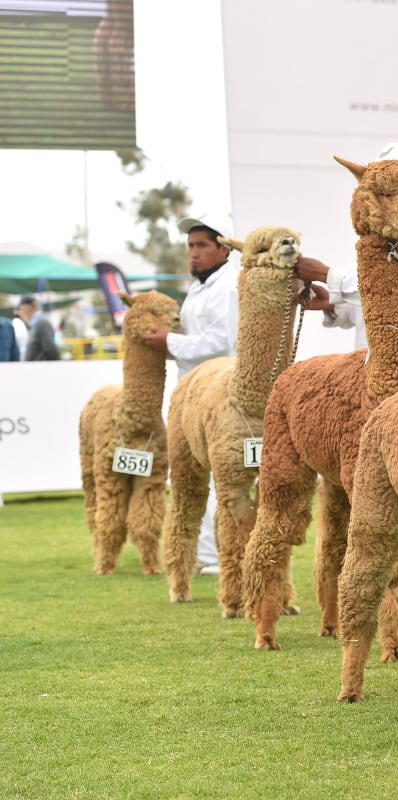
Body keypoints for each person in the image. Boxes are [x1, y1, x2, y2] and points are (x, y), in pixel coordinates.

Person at [142, 214, 240, 575]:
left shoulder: (230, 287)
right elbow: (195, 337)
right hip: (189, 391)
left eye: (202, 246)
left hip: (219, 392)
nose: (194, 254)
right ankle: (204, 554)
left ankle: (217, 556)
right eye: (191, 246)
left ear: (224, 247)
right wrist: (167, 343)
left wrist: (169, 341)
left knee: (218, 473)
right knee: (188, 472)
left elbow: (222, 342)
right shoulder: (200, 286)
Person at [297, 141, 398, 347]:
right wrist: (336, 307)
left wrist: (328, 276)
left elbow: (397, 291)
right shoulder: (379, 235)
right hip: (372, 352)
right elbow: (372, 300)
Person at [16, 296, 61, 361]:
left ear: (27, 308)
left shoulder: (42, 323)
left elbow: (51, 349)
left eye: (21, 310)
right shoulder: (34, 324)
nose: (20, 313)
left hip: (41, 369)